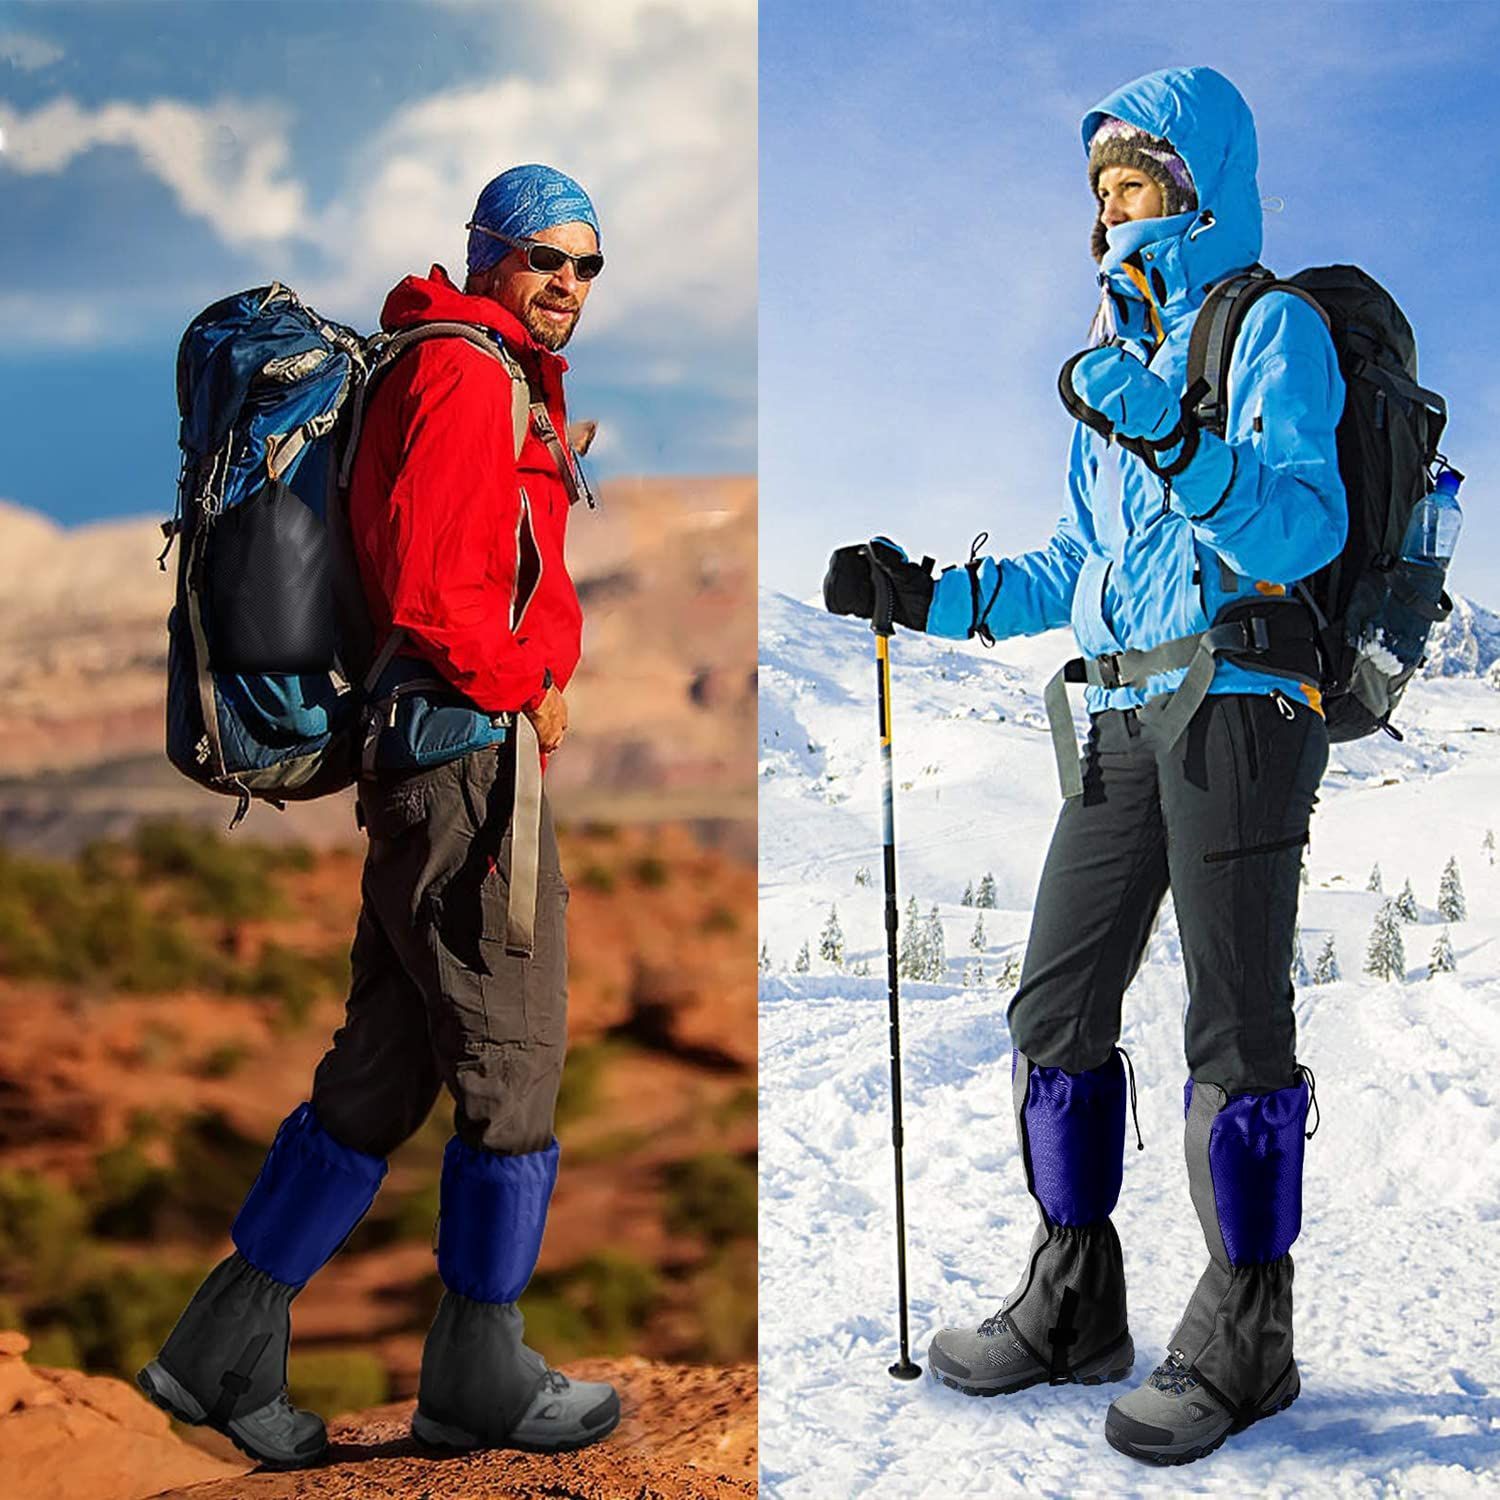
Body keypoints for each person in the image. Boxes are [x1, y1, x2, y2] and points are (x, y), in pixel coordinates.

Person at [824, 67, 1343, 1465]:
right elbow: (1082, 564)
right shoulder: (1108, 357)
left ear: (1200, 185)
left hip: (1241, 695)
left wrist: (1173, 435)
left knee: (1234, 1030)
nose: (1115, 204)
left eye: (1141, 177)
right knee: (1055, 1004)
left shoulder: (1270, 326)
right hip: (1120, 712)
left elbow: (1299, 525)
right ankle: (1075, 1301)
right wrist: (923, 592)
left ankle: (1249, 1335)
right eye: (1102, 183)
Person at [138, 164, 618, 1468]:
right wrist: (531, 684)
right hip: (467, 766)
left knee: (383, 1070)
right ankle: (479, 1377)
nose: (565, 282)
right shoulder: (464, 375)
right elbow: (428, 586)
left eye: (585, 263)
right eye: (543, 258)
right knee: (515, 1060)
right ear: (488, 254)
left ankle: (216, 1354)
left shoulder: (470, 367)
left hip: (430, 761)